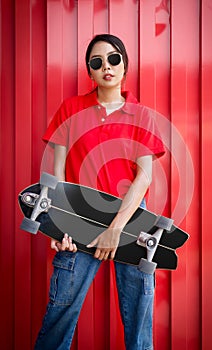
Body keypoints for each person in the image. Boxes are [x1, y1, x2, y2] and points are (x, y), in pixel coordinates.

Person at [35, 34, 165, 350]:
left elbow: (143, 177)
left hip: (131, 218)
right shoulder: (71, 109)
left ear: (124, 64)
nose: (107, 66)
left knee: (139, 316)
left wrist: (116, 229)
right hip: (79, 217)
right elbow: (58, 174)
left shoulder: (142, 115)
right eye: (97, 62)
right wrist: (58, 223)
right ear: (90, 71)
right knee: (60, 310)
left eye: (113, 58)